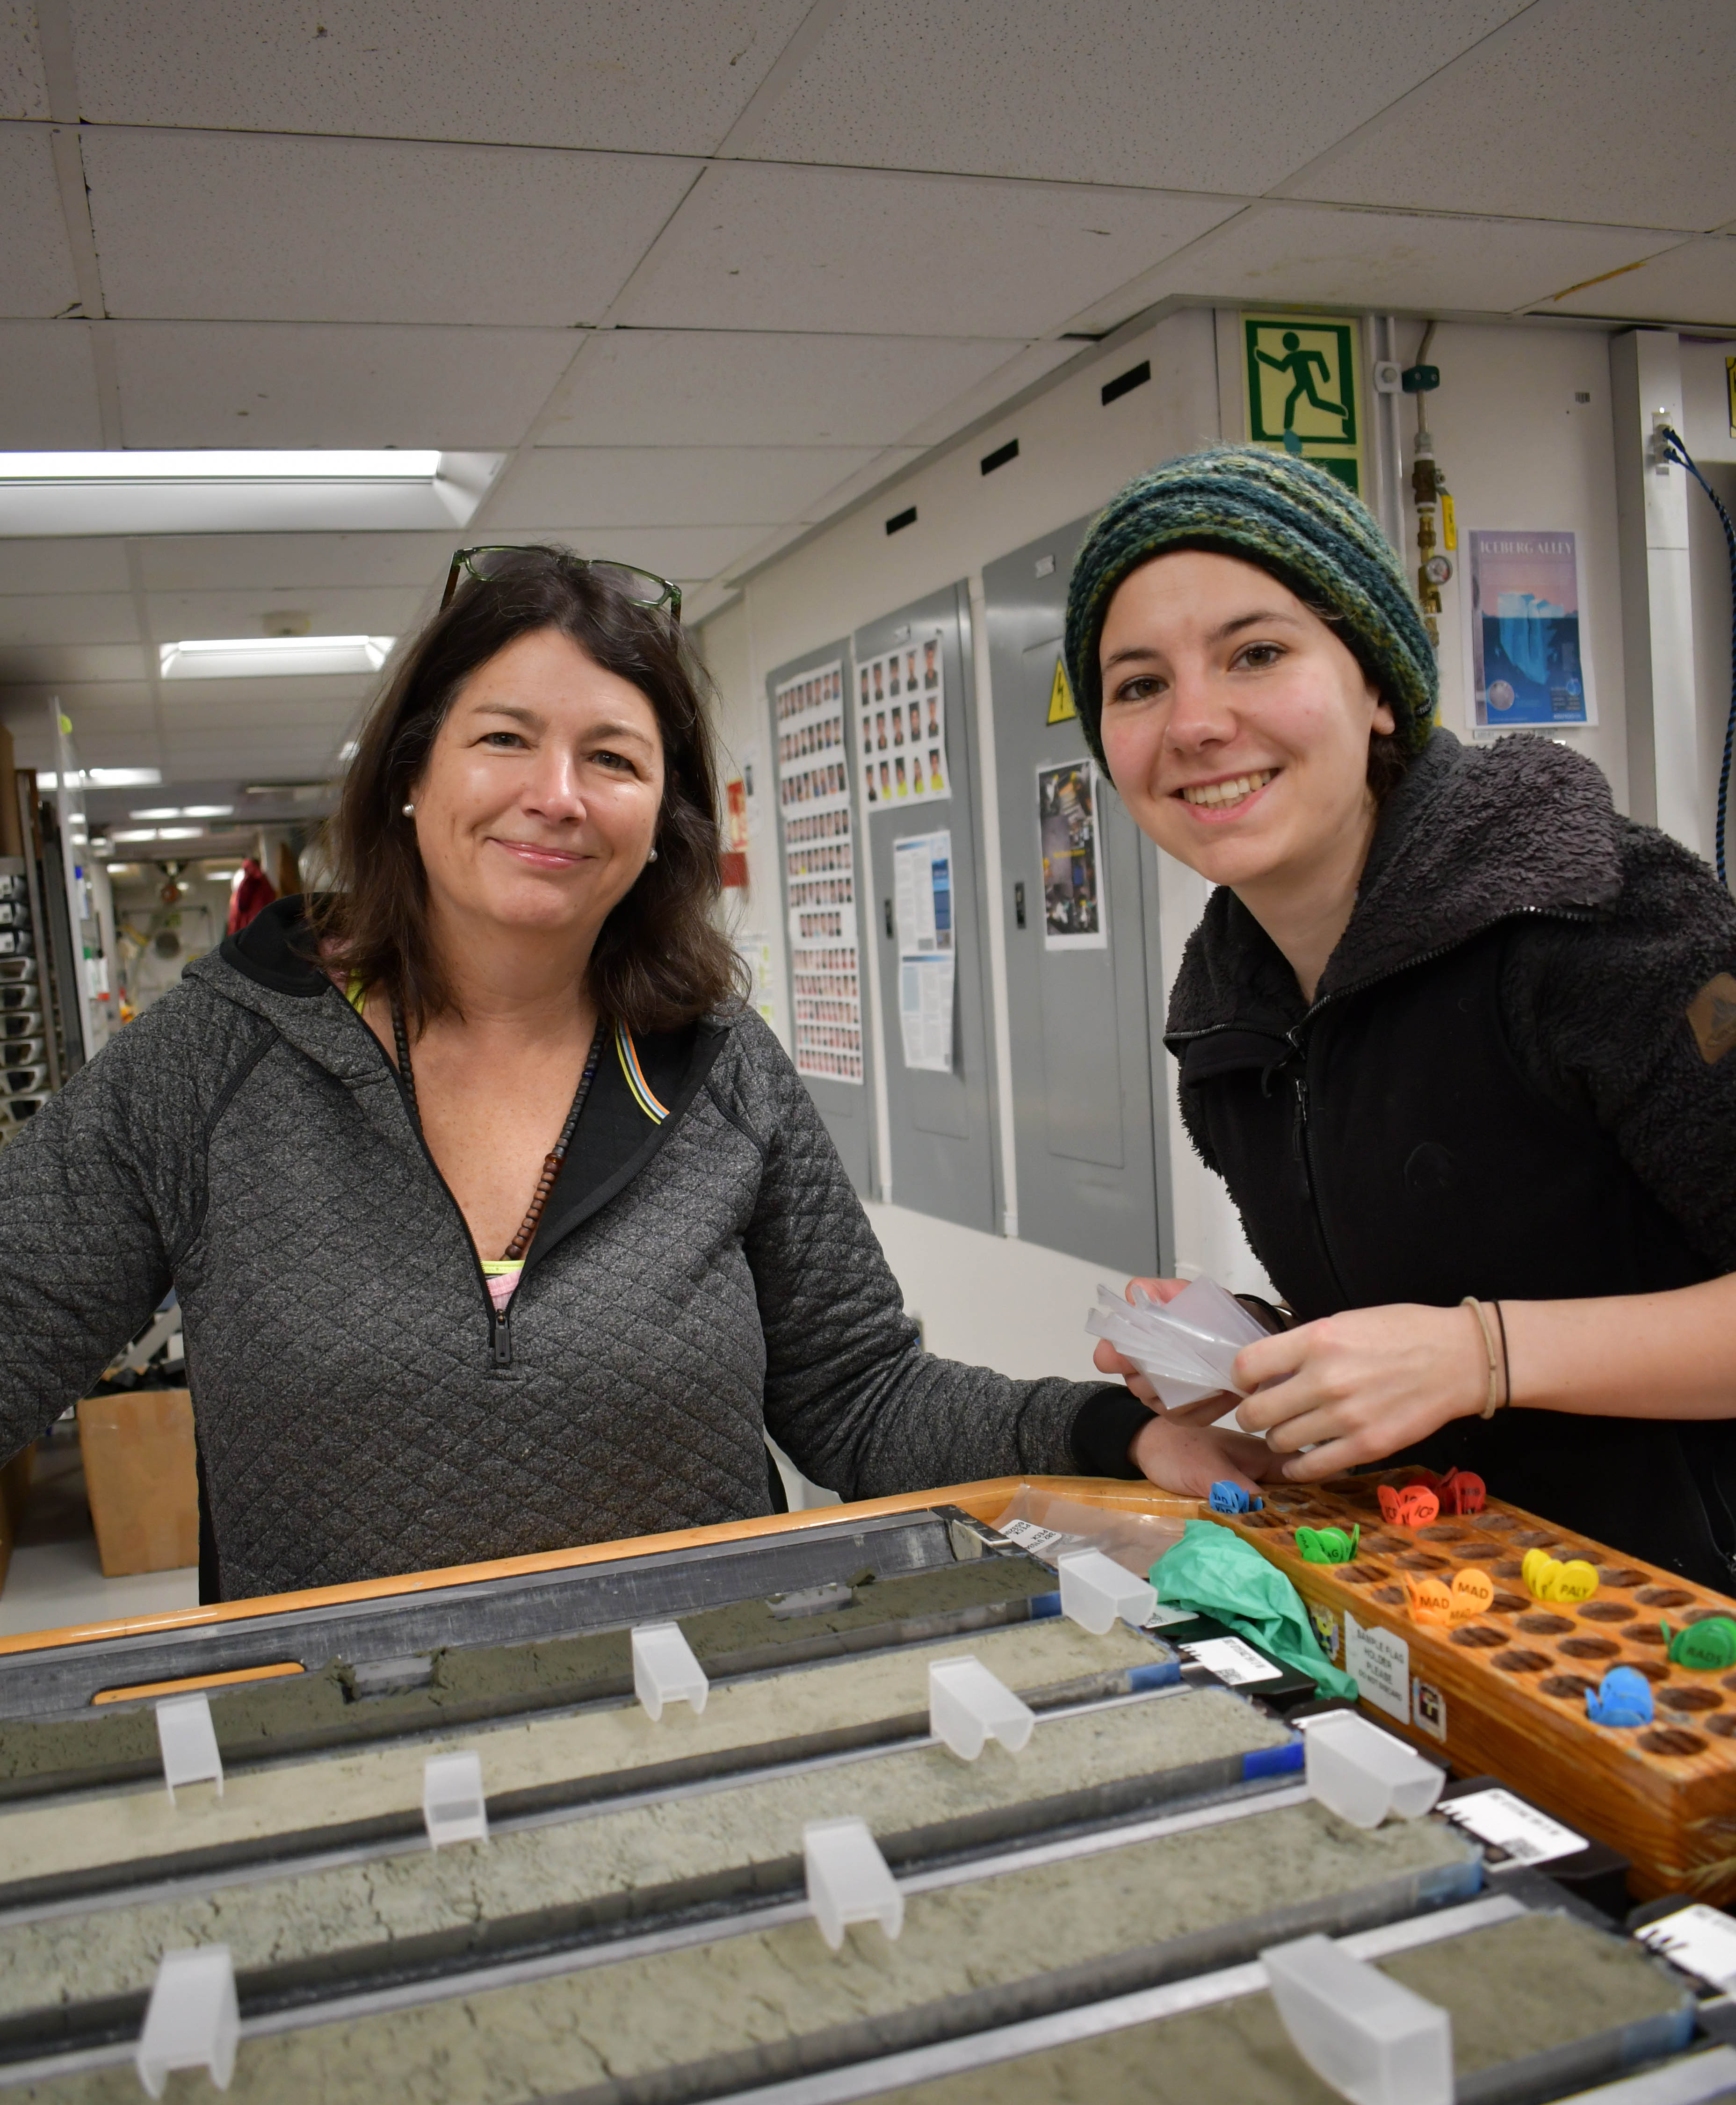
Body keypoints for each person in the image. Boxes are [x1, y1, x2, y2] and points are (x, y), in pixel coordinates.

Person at [0, 546, 1158, 1603]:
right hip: (334, 1758)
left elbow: (860, 1398)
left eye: (610, 757)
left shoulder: (719, 1069)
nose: (555, 794)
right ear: (413, 774)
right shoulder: (216, 1060)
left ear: (661, 820)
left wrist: (1115, 1432)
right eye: (504, 738)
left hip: (700, 1723)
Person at [1066, 446, 1736, 1591]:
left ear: (1376, 687)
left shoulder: (1597, 919)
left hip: (1686, 1629)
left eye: (1256, 653)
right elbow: (1416, 1302)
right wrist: (1266, 1348)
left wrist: (1479, 1355)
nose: (1195, 724)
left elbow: (1470, 1344)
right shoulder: (1228, 1015)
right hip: (1459, 1605)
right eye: (1137, 685)